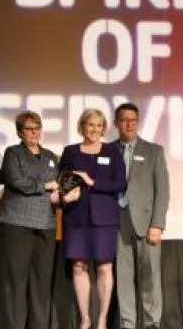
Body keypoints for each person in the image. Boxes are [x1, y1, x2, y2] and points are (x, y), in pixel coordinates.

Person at [59, 108, 127, 329]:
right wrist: (65, 194)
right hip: (76, 218)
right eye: (90, 124)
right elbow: (61, 182)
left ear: (104, 128)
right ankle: (85, 320)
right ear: (81, 126)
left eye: (99, 125)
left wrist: (92, 182)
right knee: (79, 267)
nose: (94, 129)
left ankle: (102, 320)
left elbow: (120, 184)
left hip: (104, 220)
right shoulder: (70, 152)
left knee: (104, 268)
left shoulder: (112, 151)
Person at [0, 110, 61, 329]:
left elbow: (58, 184)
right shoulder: (13, 153)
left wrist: (62, 192)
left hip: (46, 224)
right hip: (17, 224)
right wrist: (45, 186)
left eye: (37, 127)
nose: (34, 132)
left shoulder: (51, 156)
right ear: (20, 132)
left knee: (42, 282)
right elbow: (15, 180)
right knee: (16, 280)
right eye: (29, 128)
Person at [111, 102, 170, 329]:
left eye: (133, 120)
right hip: (117, 221)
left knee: (149, 277)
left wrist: (157, 224)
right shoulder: (108, 150)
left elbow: (163, 191)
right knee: (123, 277)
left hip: (146, 223)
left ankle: (151, 322)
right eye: (124, 120)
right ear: (116, 123)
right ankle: (127, 322)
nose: (128, 124)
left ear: (138, 122)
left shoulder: (154, 151)